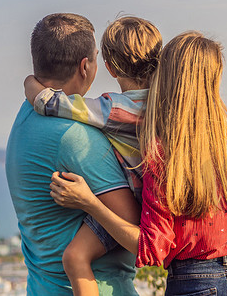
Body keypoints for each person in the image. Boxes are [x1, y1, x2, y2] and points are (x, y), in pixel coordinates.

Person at [47, 31, 227, 295]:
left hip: (194, 280)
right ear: (216, 80)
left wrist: (89, 202)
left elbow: (151, 247)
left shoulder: (162, 157)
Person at [22, 16, 162, 296]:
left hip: (132, 202)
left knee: (75, 258)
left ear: (108, 67)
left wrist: (28, 82)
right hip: (158, 202)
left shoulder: (113, 110)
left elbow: (51, 103)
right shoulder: (170, 104)